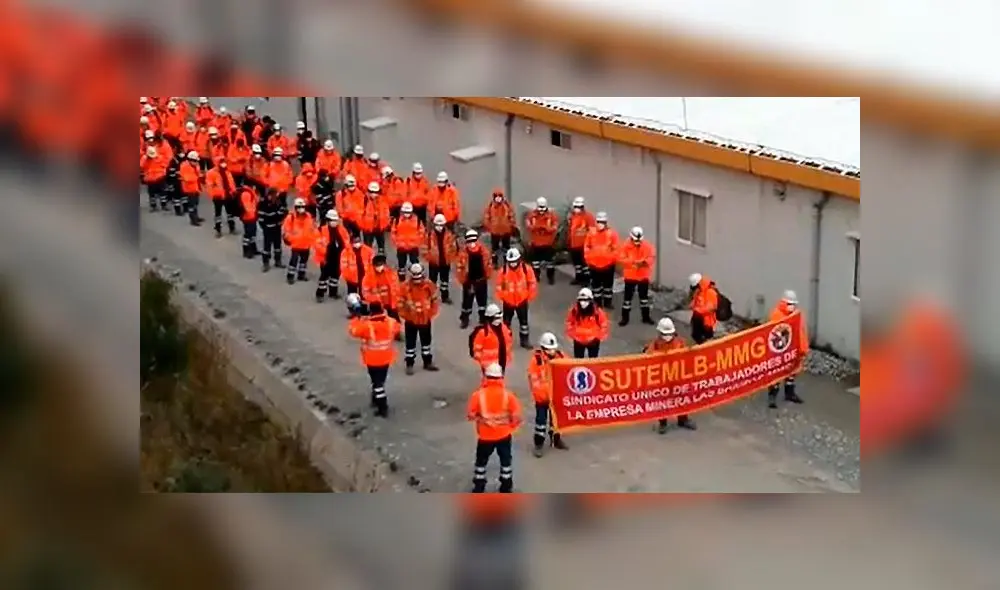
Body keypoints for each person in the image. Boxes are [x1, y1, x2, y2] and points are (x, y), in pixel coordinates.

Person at [466, 362, 522, 493]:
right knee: (505, 461)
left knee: (481, 462)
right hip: (504, 435)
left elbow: (470, 415)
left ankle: (479, 485)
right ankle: (506, 485)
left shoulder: (478, 395)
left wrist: (481, 420)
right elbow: (517, 416)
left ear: (486, 377)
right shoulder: (508, 395)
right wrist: (510, 427)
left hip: (485, 436)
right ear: (501, 377)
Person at [348, 299, 401, 418]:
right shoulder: (391, 322)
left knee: (377, 384)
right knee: (380, 381)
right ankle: (376, 399)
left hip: (372, 359)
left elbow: (353, 331)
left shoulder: (367, 326)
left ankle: (383, 406)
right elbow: (398, 328)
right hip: (386, 358)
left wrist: (357, 317)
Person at [644, 318, 697, 433]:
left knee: (682, 399)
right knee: (662, 401)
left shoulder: (681, 342)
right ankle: (663, 423)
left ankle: (683, 419)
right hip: (662, 379)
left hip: (678, 377)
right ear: (659, 333)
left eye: (669, 334)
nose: (667, 336)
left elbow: (689, 355)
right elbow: (647, 358)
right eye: (664, 334)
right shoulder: (655, 345)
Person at [527, 332, 569, 456]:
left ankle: (556, 440)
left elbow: (570, 369)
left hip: (556, 396)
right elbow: (534, 380)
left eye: (553, 348)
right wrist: (543, 395)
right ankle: (538, 444)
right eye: (549, 349)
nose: (552, 351)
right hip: (542, 398)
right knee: (541, 421)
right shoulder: (537, 360)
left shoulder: (561, 356)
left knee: (556, 421)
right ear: (543, 348)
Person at [397, 263, 442, 375]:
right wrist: (407, 316)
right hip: (411, 320)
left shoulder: (429, 286)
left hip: (425, 319)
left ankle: (427, 362)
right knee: (410, 344)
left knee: (426, 342)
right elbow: (400, 304)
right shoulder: (405, 287)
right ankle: (409, 364)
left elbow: (435, 301)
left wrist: (430, 314)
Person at [766, 290, 807, 408]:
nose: (792, 307)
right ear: (784, 303)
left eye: (793, 304)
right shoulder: (777, 314)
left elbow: (801, 332)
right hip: (780, 349)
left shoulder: (797, 315)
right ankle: (772, 396)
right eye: (789, 304)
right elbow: (773, 332)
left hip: (792, 349)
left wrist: (803, 348)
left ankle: (790, 393)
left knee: (791, 372)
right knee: (776, 373)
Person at [495, 248, 537, 349]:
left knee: (524, 323)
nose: (513, 264)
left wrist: (528, 296)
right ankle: (505, 341)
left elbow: (532, 283)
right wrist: (504, 296)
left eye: (514, 261)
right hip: (508, 301)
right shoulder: (503, 271)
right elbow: (498, 286)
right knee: (506, 323)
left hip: (522, 300)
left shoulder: (526, 270)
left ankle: (524, 340)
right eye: (511, 262)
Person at [618, 226, 656, 326]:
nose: (637, 243)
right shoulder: (625, 246)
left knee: (644, 299)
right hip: (630, 276)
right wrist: (633, 262)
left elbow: (652, 257)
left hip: (643, 276)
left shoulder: (647, 246)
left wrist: (644, 263)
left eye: (639, 241)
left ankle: (646, 317)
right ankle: (624, 318)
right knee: (627, 299)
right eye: (635, 241)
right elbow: (621, 259)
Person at [457, 228, 493, 329]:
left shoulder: (484, 251)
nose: (472, 243)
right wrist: (463, 280)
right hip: (469, 281)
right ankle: (464, 319)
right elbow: (459, 267)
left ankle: (483, 318)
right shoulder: (463, 252)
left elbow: (489, 264)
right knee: (467, 302)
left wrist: (488, 275)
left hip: (481, 279)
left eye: (473, 240)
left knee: (482, 302)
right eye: (469, 241)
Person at [584, 211, 620, 309]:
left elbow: (616, 249)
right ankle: (597, 303)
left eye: (602, 222)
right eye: (599, 221)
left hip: (608, 265)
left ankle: (608, 302)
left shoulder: (612, 233)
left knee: (608, 286)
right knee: (596, 287)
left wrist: (611, 259)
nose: (600, 224)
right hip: (594, 265)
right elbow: (587, 247)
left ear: (606, 222)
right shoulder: (591, 233)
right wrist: (589, 259)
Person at [313, 209, 350, 301]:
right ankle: (320, 294)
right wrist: (326, 252)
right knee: (324, 276)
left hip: (338, 256)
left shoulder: (341, 229)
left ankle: (333, 292)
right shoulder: (321, 230)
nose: (334, 222)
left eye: (335, 220)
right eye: (332, 220)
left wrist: (345, 251)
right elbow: (317, 244)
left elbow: (346, 240)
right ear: (328, 220)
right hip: (326, 257)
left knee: (336, 275)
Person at [423, 213, 459, 304]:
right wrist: (430, 258)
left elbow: (454, 247)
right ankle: (431, 297)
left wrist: (451, 258)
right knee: (432, 282)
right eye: (437, 225)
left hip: (445, 262)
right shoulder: (429, 235)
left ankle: (445, 296)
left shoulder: (449, 235)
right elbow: (424, 248)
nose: (439, 227)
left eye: (441, 225)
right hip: (434, 263)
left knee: (444, 282)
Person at [524, 196, 560, 285]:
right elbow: (528, 226)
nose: (541, 210)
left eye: (543, 207)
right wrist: (537, 227)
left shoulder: (552, 216)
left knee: (550, 263)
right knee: (535, 263)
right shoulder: (531, 216)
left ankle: (550, 278)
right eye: (540, 207)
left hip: (548, 243)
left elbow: (554, 228)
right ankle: (536, 277)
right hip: (536, 243)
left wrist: (545, 228)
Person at [469, 304, 514, 374]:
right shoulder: (483, 332)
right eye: (496, 318)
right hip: (488, 366)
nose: (498, 320)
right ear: (490, 318)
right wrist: (484, 363)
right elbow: (477, 350)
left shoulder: (504, 328)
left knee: (499, 381)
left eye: (499, 318)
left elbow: (508, 342)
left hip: (502, 362)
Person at [362, 254, 402, 331]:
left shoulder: (390, 273)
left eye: (381, 264)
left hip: (390, 301)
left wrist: (397, 298)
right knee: (376, 321)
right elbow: (366, 292)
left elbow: (396, 286)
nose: (379, 267)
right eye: (377, 265)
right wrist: (374, 300)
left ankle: (397, 333)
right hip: (376, 303)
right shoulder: (368, 277)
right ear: (374, 266)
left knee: (395, 319)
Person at [565, 288, 610, 358]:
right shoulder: (574, 311)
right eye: (581, 300)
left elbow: (604, 324)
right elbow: (569, 322)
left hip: (593, 341)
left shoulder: (597, 312)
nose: (582, 303)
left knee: (593, 362)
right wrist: (573, 334)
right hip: (578, 341)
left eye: (585, 300)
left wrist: (598, 337)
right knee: (578, 363)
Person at [282, 198, 317, 284]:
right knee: (293, 261)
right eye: (299, 206)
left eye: (302, 206)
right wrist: (292, 239)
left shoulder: (308, 216)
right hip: (296, 244)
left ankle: (301, 275)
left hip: (306, 244)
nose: (301, 208)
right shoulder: (290, 217)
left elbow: (312, 228)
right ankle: (290, 276)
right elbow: (286, 230)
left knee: (303, 262)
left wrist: (313, 239)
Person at [482, 188, 518, 269]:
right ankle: (495, 262)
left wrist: (511, 225)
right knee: (495, 248)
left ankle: (506, 261)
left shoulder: (507, 206)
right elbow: (486, 217)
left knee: (506, 247)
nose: (498, 198)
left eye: (500, 196)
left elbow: (512, 216)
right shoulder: (490, 206)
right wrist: (490, 227)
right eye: (496, 196)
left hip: (506, 230)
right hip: (495, 231)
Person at [390, 201, 424, 281]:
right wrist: (397, 243)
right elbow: (393, 232)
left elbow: (422, 232)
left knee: (415, 265)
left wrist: (417, 242)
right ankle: (401, 282)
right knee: (401, 266)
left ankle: (416, 280)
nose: (406, 214)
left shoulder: (417, 220)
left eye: (408, 212)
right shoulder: (397, 220)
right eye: (405, 212)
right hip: (401, 247)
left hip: (413, 247)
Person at [567, 196, 596, 285]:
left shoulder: (588, 217)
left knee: (585, 264)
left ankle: (586, 280)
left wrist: (590, 244)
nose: (577, 209)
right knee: (577, 263)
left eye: (578, 207)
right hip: (574, 244)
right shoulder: (572, 216)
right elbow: (570, 229)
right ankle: (578, 277)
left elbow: (592, 231)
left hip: (584, 244)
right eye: (575, 207)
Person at [206, 159, 239, 237]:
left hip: (228, 195)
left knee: (230, 213)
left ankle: (232, 228)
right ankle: (218, 230)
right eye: (222, 163)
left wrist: (233, 191)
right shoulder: (211, 173)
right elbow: (209, 186)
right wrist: (213, 195)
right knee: (218, 214)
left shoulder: (227, 171)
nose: (224, 164)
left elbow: (231, 182)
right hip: (218, 197)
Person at [258, 189, 285, 271]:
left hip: (277, 227)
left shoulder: (278, 202)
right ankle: (265, 263)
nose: (276, 197)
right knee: (267, 247)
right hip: (268, 228)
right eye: (274, 195)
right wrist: (265, 226)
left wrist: (278, 217)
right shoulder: (263, 203)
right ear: (270, 195)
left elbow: (283, 212)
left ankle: (278, 261)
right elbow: (262, 218)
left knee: (278, 246)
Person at [360, 181, 391, 255]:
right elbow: (359, 215)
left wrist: (385, 225)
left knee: (381, 249)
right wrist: (363, 226)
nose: (374, 194)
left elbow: (386, 214)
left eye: (376, 192)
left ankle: (381, 262)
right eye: (372, 192)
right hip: (368, 229)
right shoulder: (364, 200)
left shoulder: (383, 201)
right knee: (367, 249)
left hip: (379, 228)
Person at [688, 273, 719, 344]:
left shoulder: (710, 292)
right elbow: (693, 303)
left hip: (707, 323)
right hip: (698, 321)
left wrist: (698, 310)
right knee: (696, 337)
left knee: (706, 341)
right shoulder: (699, 292)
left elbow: (711, 307)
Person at [341, 231, 375, 296]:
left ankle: (362, 305)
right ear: (351, 243)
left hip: (364, 275)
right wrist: (347, 277)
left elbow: (372, 262)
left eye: (358, 241)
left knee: (363, 294)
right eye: (355, 242)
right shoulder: (345, 252)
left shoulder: (368, 250)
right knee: (352, 295)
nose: (357, 244)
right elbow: (343, 266)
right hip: (351, 277)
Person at [140, 145, 169, 213]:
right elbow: (141, 166)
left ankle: (164, 205)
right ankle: (153, 206)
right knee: (151, 194)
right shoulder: (145, 159)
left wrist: (163, 173)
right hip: (150, 179)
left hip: (160, 177)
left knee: (163, 193)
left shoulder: (160, 157)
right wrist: (146, 158)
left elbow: (165, 164)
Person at [266, 147, 294, 215]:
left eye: (279, 155)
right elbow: (263, 175)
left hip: (283, 190)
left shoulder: (286, 164)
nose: (277, 157)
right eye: (276, 155)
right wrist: (269, 183)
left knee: (283, 205)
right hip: (273, 190)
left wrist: (287, 183)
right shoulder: (269, 165)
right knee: (273, 205)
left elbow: (290, 175)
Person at [178, 150, 203, 220]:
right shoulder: (184, 166)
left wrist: (200, 176)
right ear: (190, 160)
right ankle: (193, 219)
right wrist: (197, 177)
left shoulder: (196, 165)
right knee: (191, 205)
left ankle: (196, 217)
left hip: (196, 188)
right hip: (189, 188)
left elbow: (198, 173)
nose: (196, 162)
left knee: (196, 203)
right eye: (195, 161)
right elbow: (187, 178)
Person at [238, 184, 259, 258]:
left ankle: (253, 248)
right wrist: (253, 214)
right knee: (248, 234)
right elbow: (247, 207)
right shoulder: (246, 193)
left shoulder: (250, 191)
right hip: (248, 217)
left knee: (253, 233)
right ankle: (246, 250)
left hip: (252, 216)